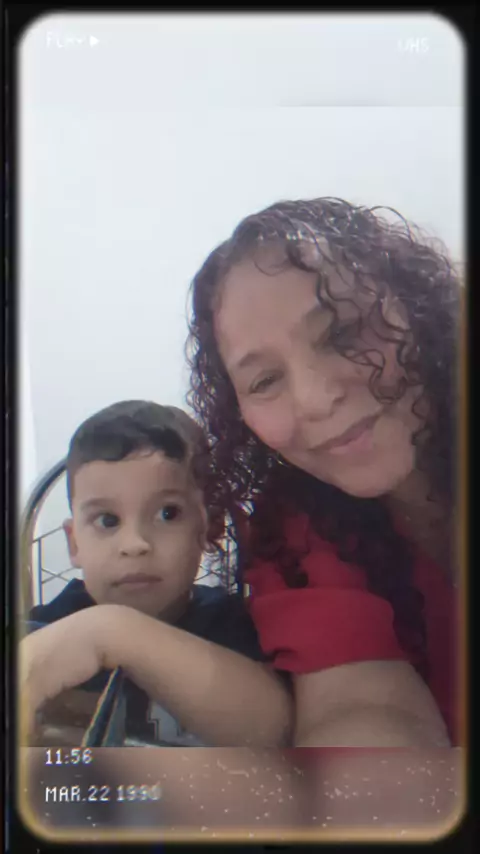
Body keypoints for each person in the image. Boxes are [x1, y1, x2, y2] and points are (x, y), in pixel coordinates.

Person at [186, 197, 461, 748]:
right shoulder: (298, 527)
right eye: (265, 381)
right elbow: (361, 706)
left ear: (418, 307)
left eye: (342, 332)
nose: (315, 399)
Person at [20, 401, 292, 747]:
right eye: (107, 520)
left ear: (210, 528)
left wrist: (115, 633)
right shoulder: (51, 629)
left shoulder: (233, 625)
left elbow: (276, 731)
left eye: (168, 514)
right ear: (74, 543)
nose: (134, 544)